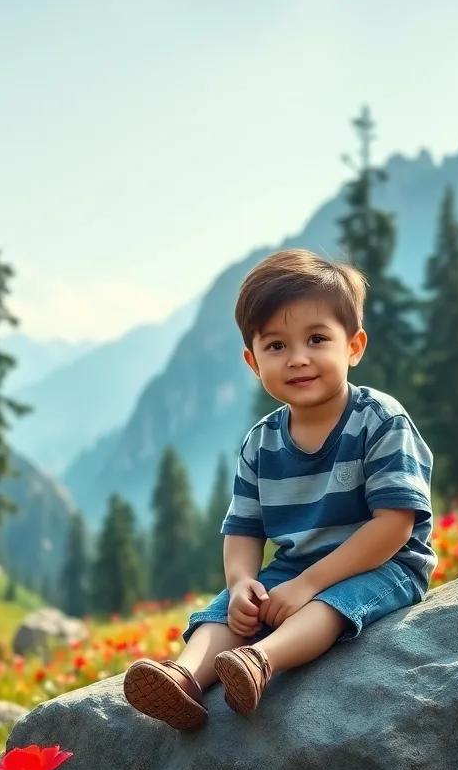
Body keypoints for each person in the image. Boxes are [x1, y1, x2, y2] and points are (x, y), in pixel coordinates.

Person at [123, 248, 437, 729]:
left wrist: (310, 584)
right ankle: (185, 677)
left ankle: (261, 661)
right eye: (276, 347)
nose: (298, 359)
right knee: (228, 610)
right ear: (252, 362)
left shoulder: (380, 420)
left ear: (353, 346)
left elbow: (395, 525)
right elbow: (244, 528)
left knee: (333, 606)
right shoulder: (263, 441)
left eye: (317, 339)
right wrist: (242, 581)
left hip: (384, 566)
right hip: (294, 568)